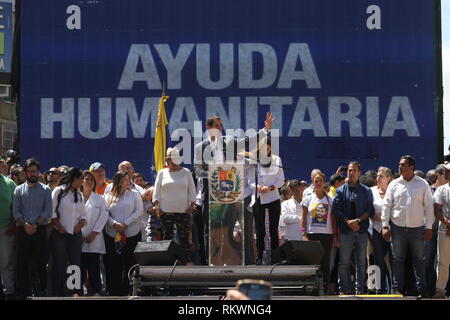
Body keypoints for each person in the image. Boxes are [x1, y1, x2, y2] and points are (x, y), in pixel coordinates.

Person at [194, 113, 273, 264]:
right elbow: (198, 171)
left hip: (229, 195)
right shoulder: (200, 147)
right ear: (208, 128)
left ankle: (229, 262)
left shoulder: (228, 143)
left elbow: (247, 141)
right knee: (210, 232)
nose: (219, 128)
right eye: (216, 126)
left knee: (226, 231)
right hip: (211, 197)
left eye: (220, 126)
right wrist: (217, 171)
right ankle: (209, 263)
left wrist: (265, 130)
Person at [381, 155, 434, 297]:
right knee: (397, 259)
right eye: (399, 164)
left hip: (418, 228)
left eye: (403, 165)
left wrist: (429, 227)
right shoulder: (394, 184)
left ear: (412, 167)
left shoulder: (423, 184)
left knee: (419, 259)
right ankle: (397, 289)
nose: (400, 167)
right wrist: (385, 225)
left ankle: (422, 289)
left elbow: (429, 207)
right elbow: (386, 205)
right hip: (397, 228)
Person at [12, 158, 53, 299]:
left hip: (39, 230)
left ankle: (41, 291)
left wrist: (34, 224)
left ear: (38, 171)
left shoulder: (46, 190)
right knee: (22, 264)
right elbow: (16, 212)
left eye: (35, 171)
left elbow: (47, 212)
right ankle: (24, 293)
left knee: (41, 264)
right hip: (23, 231)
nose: (32, 174)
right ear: (25, 173)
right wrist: (26, 225)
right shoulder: (18, 190)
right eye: (29, 171)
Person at [332, 161, 374, 295]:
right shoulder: (340, 191)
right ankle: (344, 289)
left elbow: (370, 209)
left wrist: (358, 221)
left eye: (354, 170)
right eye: (349, 170)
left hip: (361, 231)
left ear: (359, 172)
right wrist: (348, 222)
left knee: (361, 262)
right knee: (344, 262)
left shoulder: (366, 191)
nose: (351, 173)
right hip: (345, 232)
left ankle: (359, 290)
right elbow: (336, 210)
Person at [104, 171, 143, 296]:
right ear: (118, 181)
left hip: (131, 234)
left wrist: (125, 223)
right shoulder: (109, 195)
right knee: (114, 263)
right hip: (112, 234)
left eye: (128, 179)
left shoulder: (134, 194)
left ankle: (130, 289)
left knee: (130, 262)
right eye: (124, 179)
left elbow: (139, 211)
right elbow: (105, 213)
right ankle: (114, 290)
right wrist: (115, 224)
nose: (127, 182)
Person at [50, 167, 88, 296]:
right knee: (59, 263)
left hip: (75, 234)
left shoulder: (79, 194)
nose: (82, 181)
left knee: (75, 263)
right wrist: (59, 226)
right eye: (81, 178)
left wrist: (81, 224)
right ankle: (57, 293)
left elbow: (84, 215)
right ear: (74, 178)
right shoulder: (58, 191)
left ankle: (73, 292)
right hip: (60, 233)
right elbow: (52, 212)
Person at [153, 148, 196, 256]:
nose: (172, 161)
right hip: (165, 211)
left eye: (175, 158)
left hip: (184, 211)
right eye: (170, 159)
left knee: (185, 239)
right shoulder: (162, 173)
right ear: (167, 160)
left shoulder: (186, 172)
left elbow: (192, 190)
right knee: (167, 239)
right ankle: (167, 264)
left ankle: (186, 263)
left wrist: (192, 204)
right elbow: (156, 191)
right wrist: (157, 206)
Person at [302, 172, 336, 293]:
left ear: (324, 182)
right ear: (313, 182)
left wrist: (335, 235)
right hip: (312, 234)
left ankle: (325, 287)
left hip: (327, 235)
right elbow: (303, 218)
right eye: (315, 181)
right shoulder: (307, 199)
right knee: (313, 262)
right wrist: (303, 234)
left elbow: (333, 219)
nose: (318, 183)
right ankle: (313, 288)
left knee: (326, 262)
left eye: (320, 181)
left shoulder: (331, 200)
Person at [254, 137, 285, 264]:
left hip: (273, 197)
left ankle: (275, 257)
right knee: (260, 229)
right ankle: (260, 257)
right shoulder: (254, 161)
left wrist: (271, 187)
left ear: (270, 148)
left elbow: (281, 180)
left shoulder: (276, 160)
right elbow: (249, 179)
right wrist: (257, 186)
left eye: (266, 148)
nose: (264, 150)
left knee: (273, 228)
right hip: (258, 197)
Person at [80, 170, 108, 296]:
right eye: (86, 179)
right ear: (81, 181)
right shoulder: (75, 197)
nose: (89, 182)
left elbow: (103, 217)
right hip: (78, 239)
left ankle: (96, 291)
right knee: (79, 267)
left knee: (94, 267)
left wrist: (94, 233)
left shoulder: (100, 199)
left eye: (92, 180)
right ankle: (77, 291)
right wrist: (78, 234)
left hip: (94, 239)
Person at [369, 166, 394, 294]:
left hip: (392, 230)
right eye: (377, 176)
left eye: (381, 176)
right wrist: (373, 216)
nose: (378, 178)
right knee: (378, 260)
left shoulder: (394, 190)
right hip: (376, 230)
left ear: (388, 178)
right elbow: (367, 209)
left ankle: (395, 289)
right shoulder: (371, 191)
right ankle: (380, 289)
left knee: (394, 261)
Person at [0, 161, 17, 300]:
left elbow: (16, 206)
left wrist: (13, 224)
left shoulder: (10, 183)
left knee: (6, 262)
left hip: (5, 228)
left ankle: (9, 291)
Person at [432, 163, 450, 298]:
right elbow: (437, 210)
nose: (447, 173)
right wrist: (447, 222)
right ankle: (440, 291)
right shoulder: (441, 190)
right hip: (444, 230)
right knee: (443, 262)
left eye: (448, 171)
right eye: (446, 171)